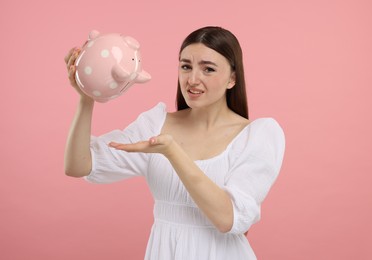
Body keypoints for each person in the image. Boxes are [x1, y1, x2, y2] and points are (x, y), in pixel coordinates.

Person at [64, 26, 285, 260]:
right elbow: (78, 165)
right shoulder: (155, 123)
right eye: (185, 66)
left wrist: (172, 151)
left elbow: (226, 219)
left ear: (232, 78)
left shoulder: (258, 135)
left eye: (208, 69)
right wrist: (86, 97)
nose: (192, 79)